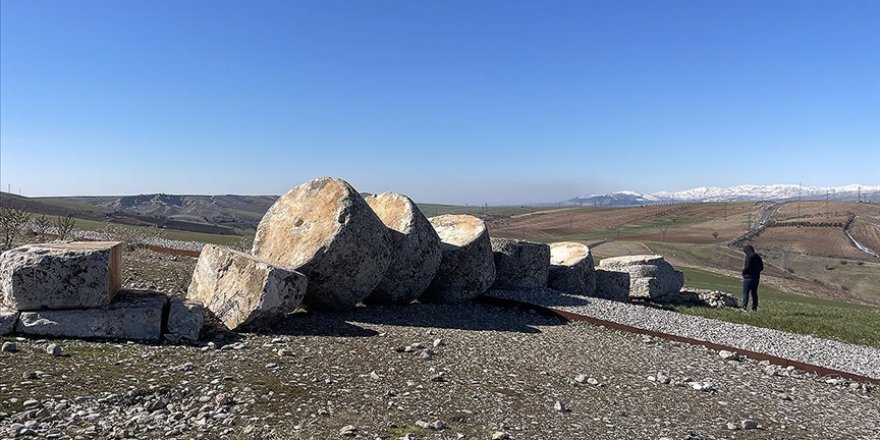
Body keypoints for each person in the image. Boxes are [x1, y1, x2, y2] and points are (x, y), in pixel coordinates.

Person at [741, 244, 764, 311]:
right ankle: (754, 307)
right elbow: (762, 268)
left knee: (746, 293)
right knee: (754, 293)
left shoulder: (748, 257)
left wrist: (744, 272)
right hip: (756, 278)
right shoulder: (758, 257)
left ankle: (744, 306)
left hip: (748, 278)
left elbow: (747, 267)